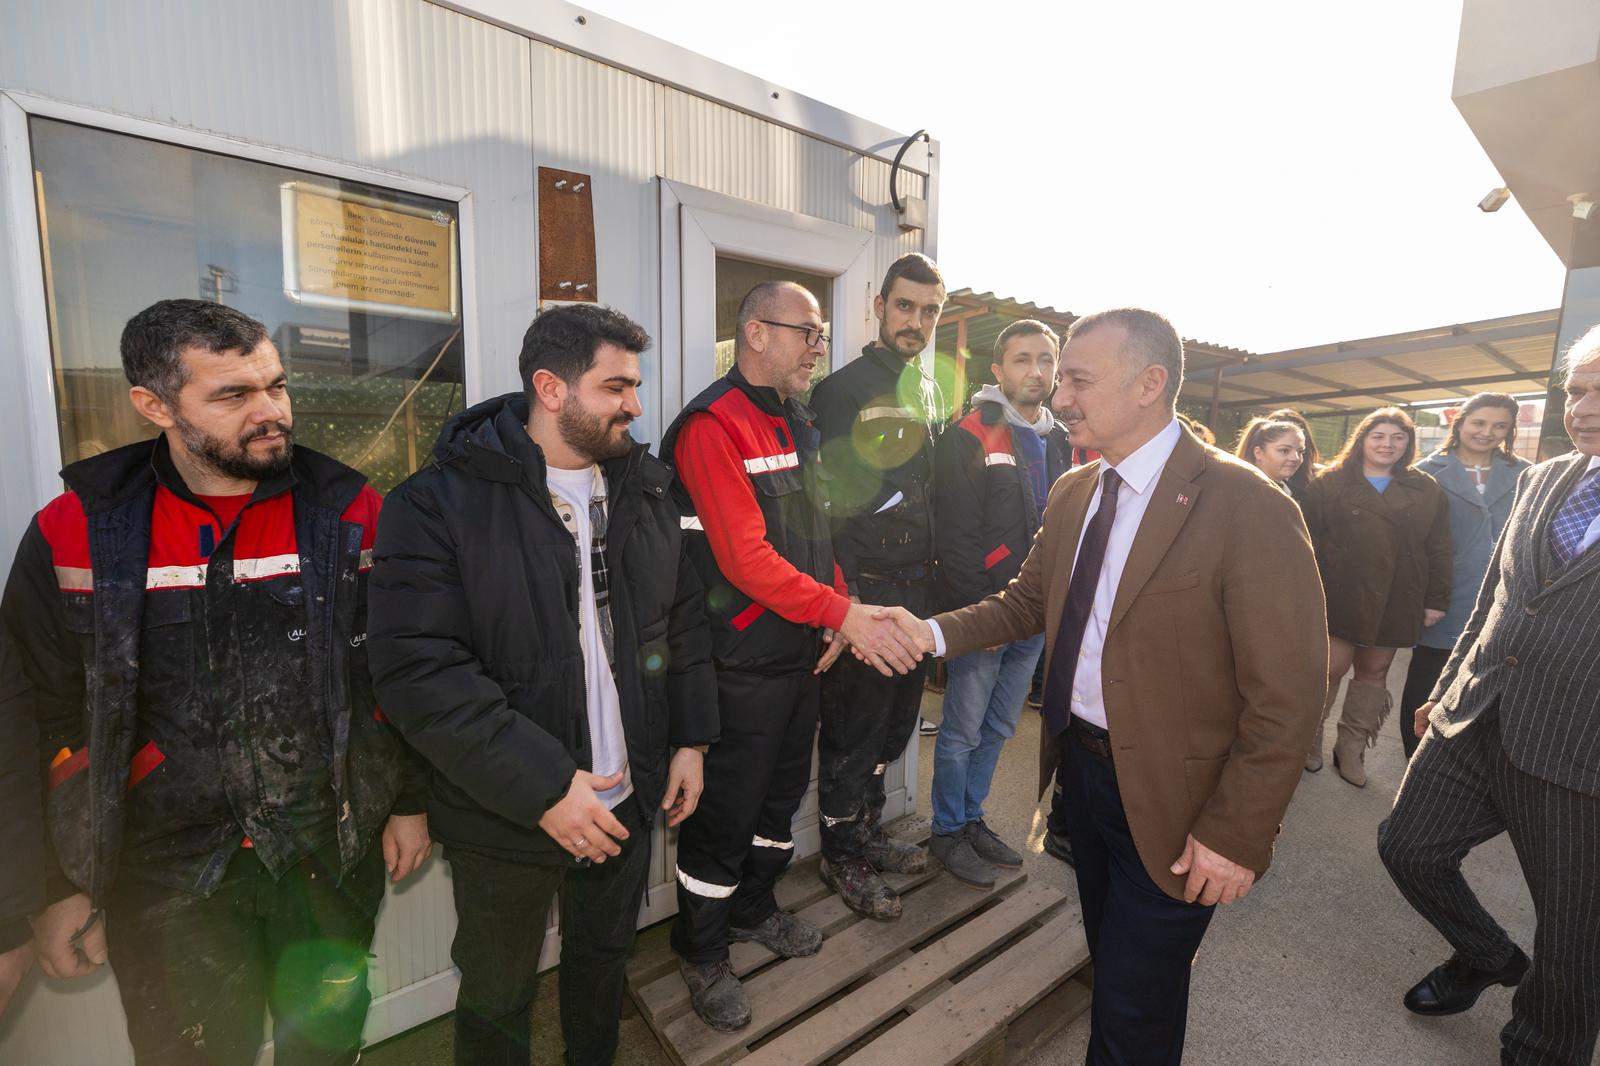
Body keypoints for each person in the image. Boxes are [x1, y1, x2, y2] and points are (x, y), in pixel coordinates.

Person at [883, 307, 1327, 1064]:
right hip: (1083, 778)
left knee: (1129, 1007)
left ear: (1151, 383)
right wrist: (925, 632)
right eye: (1063, 382)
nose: (1060, 399)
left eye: (1080, 381)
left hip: (1182, 805)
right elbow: (1028, 601)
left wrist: (1237, 834)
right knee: (1128, 977)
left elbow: (1286, 696)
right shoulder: (1075, 490)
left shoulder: (1247, 504)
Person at [0, 299, 430, 1065]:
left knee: (327, 1046)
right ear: (153, 405)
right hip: (165, 872)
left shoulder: (351, 512)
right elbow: (43, 712)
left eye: (276, 385)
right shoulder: (75, 532)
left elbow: (389, 669)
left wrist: (407, 801)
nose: (270, 412)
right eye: (233, 395)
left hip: (326, 852)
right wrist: (53, 884)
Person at [366, 304, 719, 1065]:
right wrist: (546, 785)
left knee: (601, 965)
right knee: (498, 989)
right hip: (507, 808)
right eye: (616, 386)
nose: (636, 404)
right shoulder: (435, 504)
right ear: (551, 388)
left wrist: (691, 737)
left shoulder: (647, 489)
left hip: (626, 792)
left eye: (635, 385)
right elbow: (419, 673)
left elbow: (681, 621)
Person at [660, 281, 923, 1031]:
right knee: (724, 815)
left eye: (821, 334)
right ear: (755, 334)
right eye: (806, 332)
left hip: (799, 655)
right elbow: (743, 557)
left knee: (777, 808)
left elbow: (816, 536)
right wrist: (844, 613)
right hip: (737, 665)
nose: (818, 347)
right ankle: (702, 951)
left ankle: (753, 908)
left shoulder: (796, 419)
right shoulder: (712, 426)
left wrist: (837, 607)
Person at [1377, 328, 1600, 1065]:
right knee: (1407, 848)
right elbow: (1497, 599)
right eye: (1576, 390)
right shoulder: (1543, 478)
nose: (1584, 408)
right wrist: (1443, 689)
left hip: (1580, 755)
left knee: (1573, 948)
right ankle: (1487, 957)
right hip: (1476, 715)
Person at [809, 253, 947, 921]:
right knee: (853, 732)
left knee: (893, 730)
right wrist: (845, 602)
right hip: (866, 593)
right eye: (905, 307)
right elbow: (823, 506)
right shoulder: (841, 390)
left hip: (916, 594)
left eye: (928, 311)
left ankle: (865, 834)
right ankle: (842, 857)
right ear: (878, 304)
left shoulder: (926, 388)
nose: (915, 321)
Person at [929, 319, 1070, 888]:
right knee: (961, 729)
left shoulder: (1060, 438)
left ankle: (971, 818)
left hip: (1034, 614)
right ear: (998, 370)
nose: (1035, 371)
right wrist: (978, 619)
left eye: (1045, 360)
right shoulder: (971, 433)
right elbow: (956, 539)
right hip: (988, 614)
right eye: (1022, 360)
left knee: (998, 729)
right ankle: (946, 831)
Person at [1302, 408, 1452, 785]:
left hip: (1397, 594)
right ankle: (1308, 739)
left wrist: (1436, 599)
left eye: (1397, 438)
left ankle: (1351, 749)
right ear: (1362, 440)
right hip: (1338, 591)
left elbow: (1439, 546)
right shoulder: (1329, 482)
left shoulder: (1425, 487)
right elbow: (1306, 540)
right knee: (1331, 667)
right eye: (1379, 436)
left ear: (1408, 443)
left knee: (1374, 671)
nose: (1388, 445)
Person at [1398, 394, 1529, 759]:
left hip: (1506, 597)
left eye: (1499, 426)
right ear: (1460, 422)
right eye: (1479, 423)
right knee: (1429, 680)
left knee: (1485, 683)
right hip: (1445, 596)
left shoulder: (1526, 473)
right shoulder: (1427, 471)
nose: (1488, 433)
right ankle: (1417, 759)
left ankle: (1466, 763)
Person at [1235, 416, 1307, 495]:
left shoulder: (1298, 495)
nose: (1296, 458)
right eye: (1284, 450)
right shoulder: (1241, 491)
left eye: (1300, 452)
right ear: (1258, 453)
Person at [1267, 407, 1321, 505]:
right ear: (1258, 451)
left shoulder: (1320, 479)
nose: (1294, 457)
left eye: (1300, 451)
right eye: (1284, 450)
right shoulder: (1245, 481)